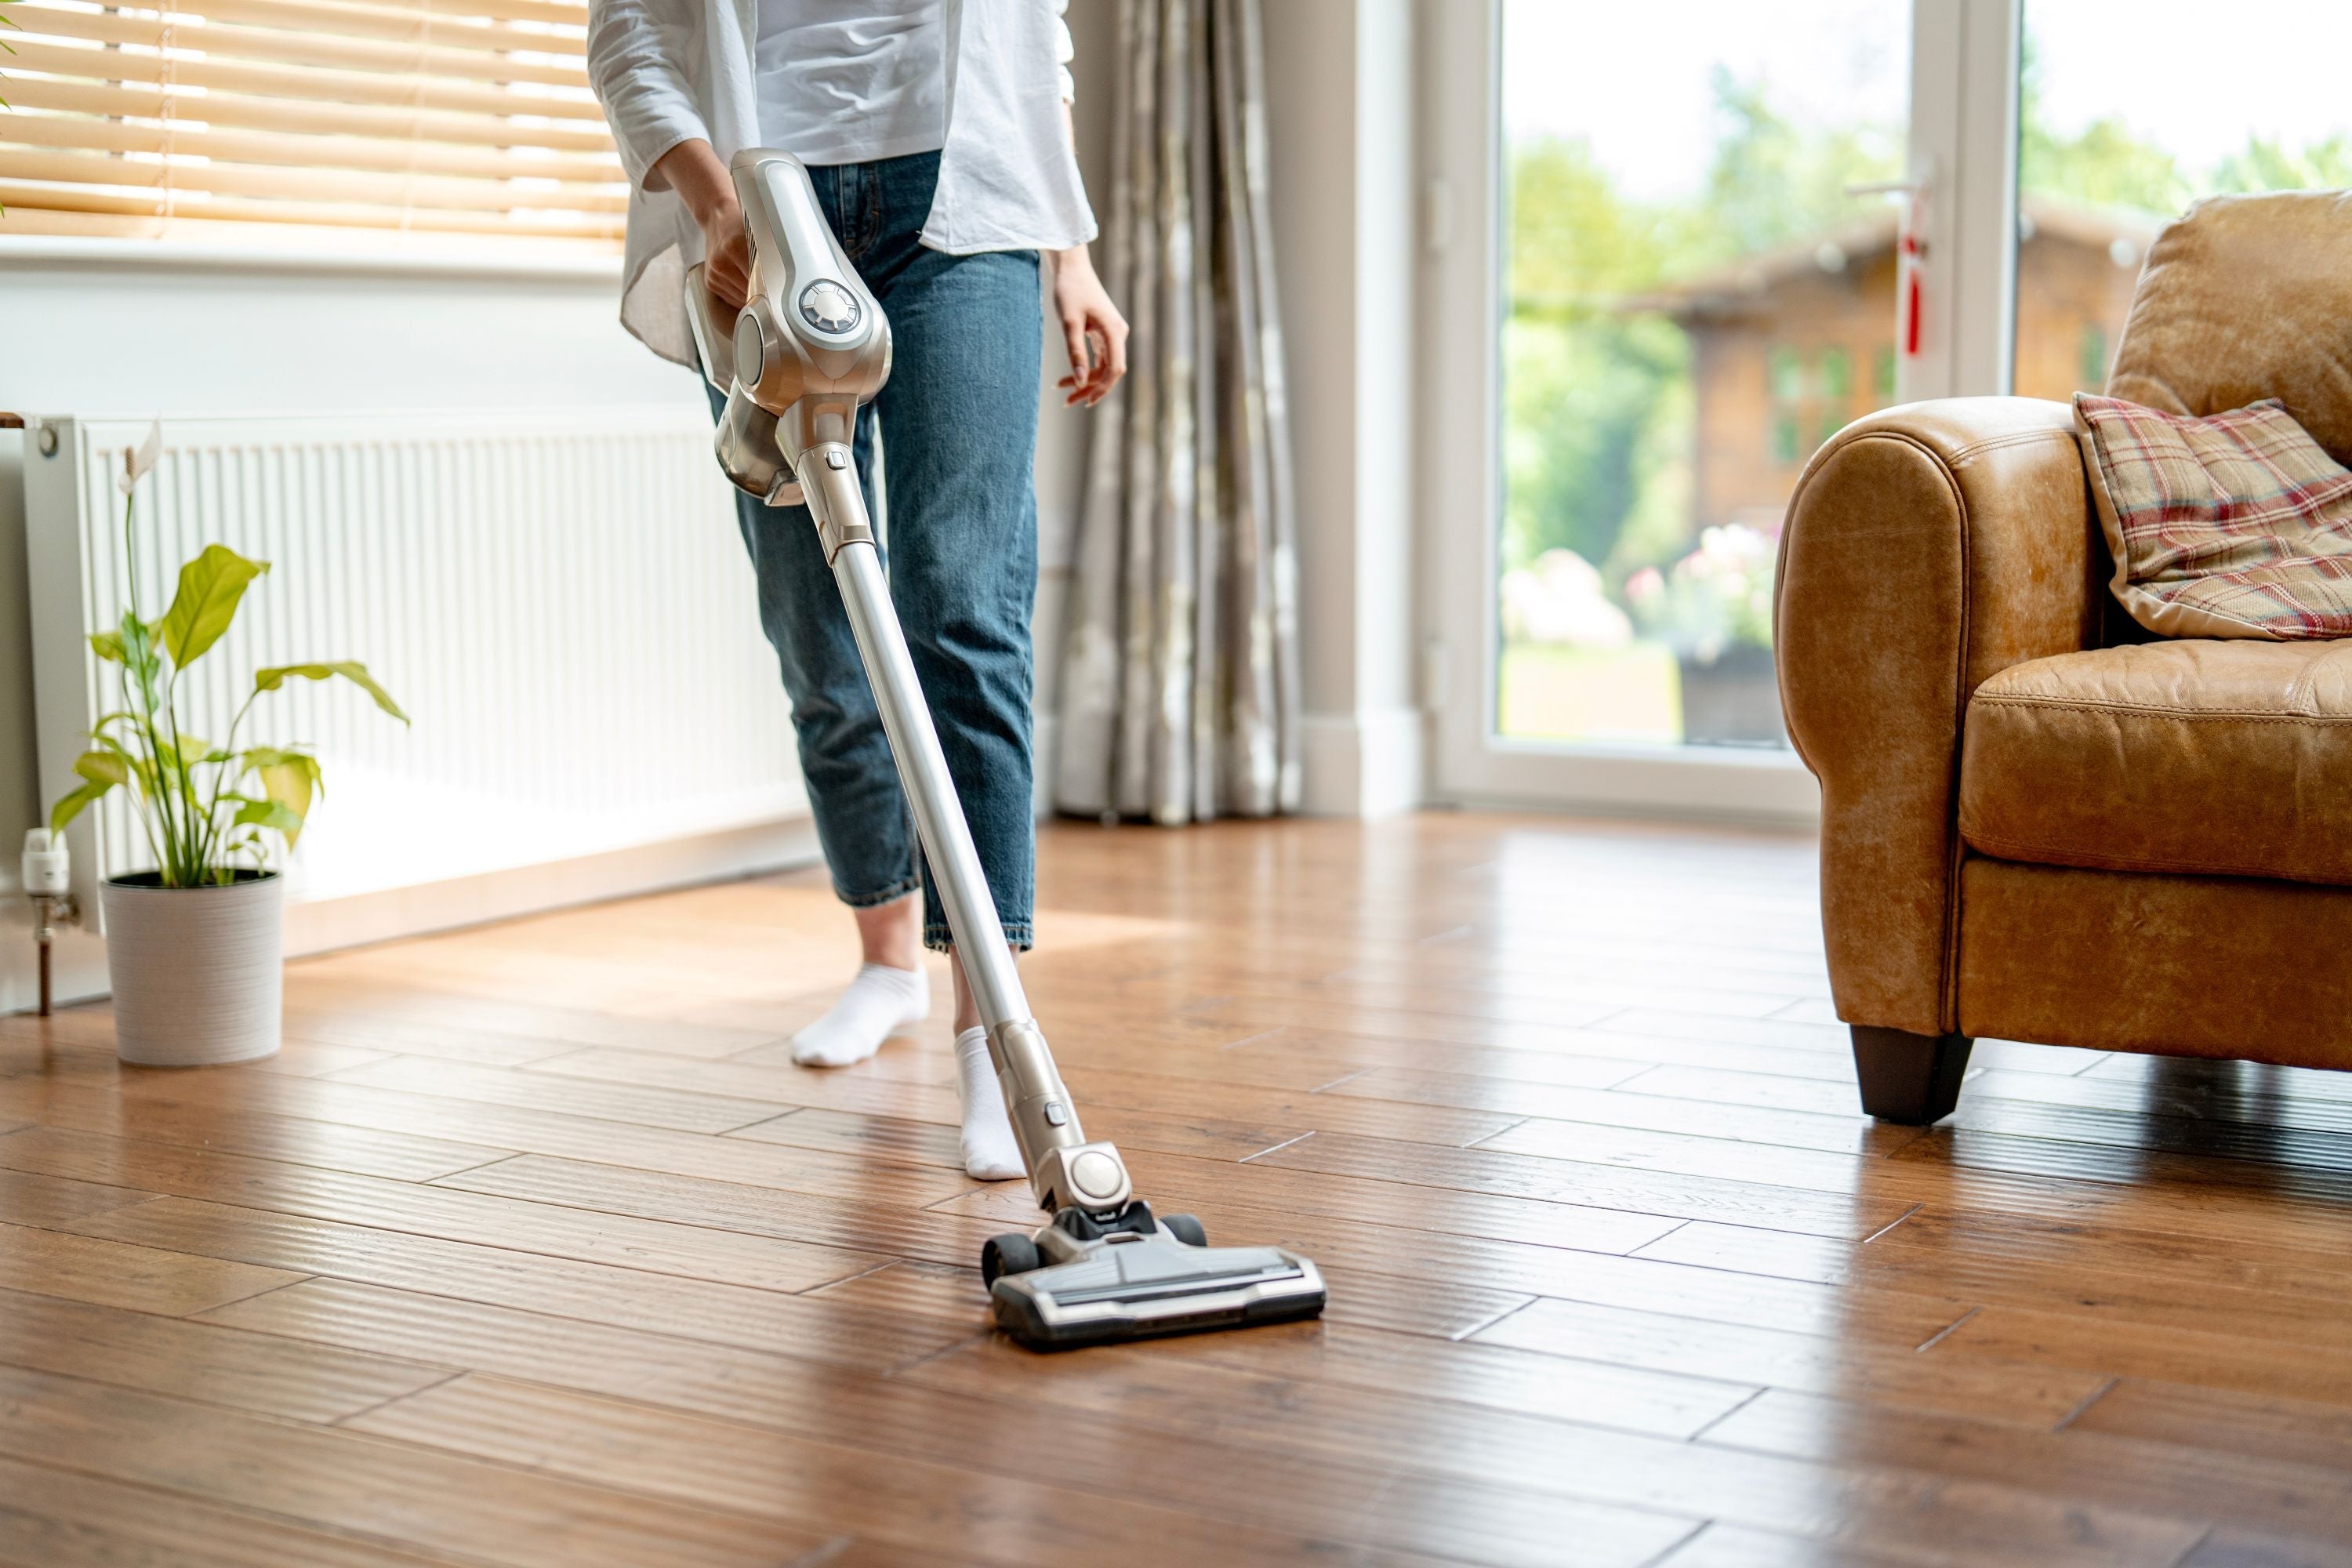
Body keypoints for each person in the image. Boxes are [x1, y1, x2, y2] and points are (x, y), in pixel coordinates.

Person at [586, 0, 1128, 1178]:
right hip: (758, 206)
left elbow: (1035, 38)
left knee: (964, 606)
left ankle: (991, 1031)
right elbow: (627, 37)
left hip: (967, 206)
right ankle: (885, 958)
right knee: (815, 628)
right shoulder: (731, 210)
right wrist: (717, 210)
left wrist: (1070, 251)